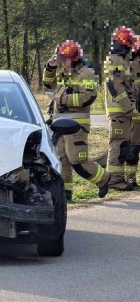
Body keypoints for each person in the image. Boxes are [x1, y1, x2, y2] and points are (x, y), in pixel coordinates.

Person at [43, 40, 110, 201]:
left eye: (61, 58)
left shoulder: (85, 73)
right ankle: (66, 194)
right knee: (62, 160)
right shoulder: (63, 72)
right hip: (60, 125)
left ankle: (104, 179)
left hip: (76, 125)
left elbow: (89, 97)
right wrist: (50, 67)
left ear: (72, 58)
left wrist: (63, 100)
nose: (59, 61)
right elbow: (47, 85)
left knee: (77, 160)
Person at [104, 26, 137, 191]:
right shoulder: (116, 60)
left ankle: (118, 179)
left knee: (123, 145)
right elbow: (115, 85)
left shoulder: (120, 59)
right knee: (117, 145)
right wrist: (129, 108)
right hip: (119, 110)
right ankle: (115, 180)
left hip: (122, 111)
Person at [125, 35, 140, 187]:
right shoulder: (132, 67)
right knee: (133, 148)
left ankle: (131, 179)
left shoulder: (129, 66)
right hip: (136, 113)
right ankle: (130, 179)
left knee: (133, 147)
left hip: (135, 114)